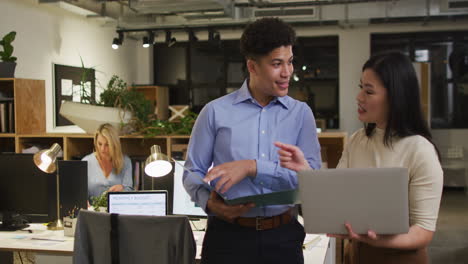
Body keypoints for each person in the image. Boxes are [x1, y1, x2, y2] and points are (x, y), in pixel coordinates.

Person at [276, 51, 443, 264]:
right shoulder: (358, 141)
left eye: (369, 91)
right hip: (358, 255)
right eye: (360, 88)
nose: (359, 97)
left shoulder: (420, 150)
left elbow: (423, 232)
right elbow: (337, 198)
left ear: (395, 97)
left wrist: (375, 241)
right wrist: (305, 171)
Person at [183, 17, 321, 264]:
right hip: (227, 237)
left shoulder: (301, 114)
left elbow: (312, 180)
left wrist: (252, 167)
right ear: (253, 67)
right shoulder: (215, 112)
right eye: (277, 64)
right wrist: (212, 205)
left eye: (290, 62)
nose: (287, 72)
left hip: (283, 237)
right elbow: (192, 172)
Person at [82, 123, 133, 201]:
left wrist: (122, 188)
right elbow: (80, 192)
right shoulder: (86, 161)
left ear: (114, 144)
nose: (102, 149)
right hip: (92, 210)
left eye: (107, 145)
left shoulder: (125, 161)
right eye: (100, 144)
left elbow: (130, 191)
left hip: (117, 208)